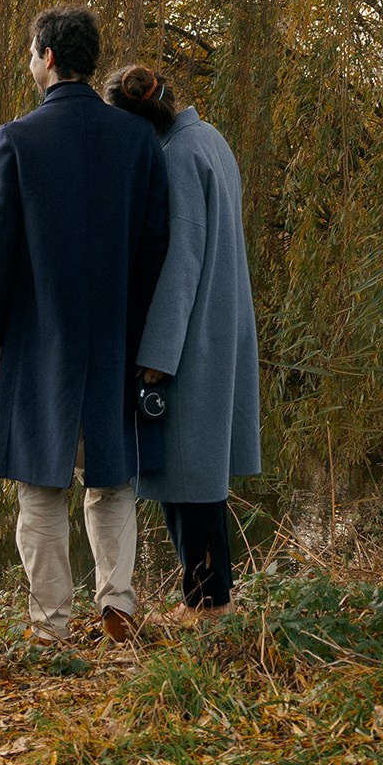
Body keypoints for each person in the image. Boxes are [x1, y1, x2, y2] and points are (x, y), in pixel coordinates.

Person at [0, 5, 169, 644]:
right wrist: (141, 331)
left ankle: (52, 623)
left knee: (40, 486)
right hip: (116, 334)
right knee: (111, 479)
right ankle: (118, 606)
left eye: (32, 51)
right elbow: (153, 247)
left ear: (48, 57)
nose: (30, 61)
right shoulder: (139, 141)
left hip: (38, 338)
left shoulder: (18, 140)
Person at [105, 63, 260, 612]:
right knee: (199, 478)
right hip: (222, 326)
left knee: (185, 478)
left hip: (192, 341)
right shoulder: (211, 139)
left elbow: (182, 260)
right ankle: (209, 600)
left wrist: (156, 355)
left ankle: (209, 605)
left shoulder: (175, 156)